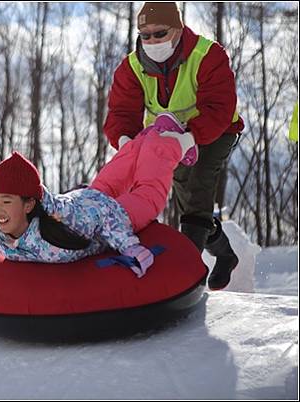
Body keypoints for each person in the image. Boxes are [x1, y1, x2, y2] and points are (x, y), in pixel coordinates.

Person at [103, 2, 245, 290]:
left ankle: (186, 276)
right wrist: (126, 142)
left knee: (199, 185)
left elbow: (219, 106)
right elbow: (121, 113)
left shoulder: (207, 55)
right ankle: (226, 255)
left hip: (217, 131)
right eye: (146, 35)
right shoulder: (131, 67)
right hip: (167, 138)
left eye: (160, 33)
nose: (152, 41)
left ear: (178, 29)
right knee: (190, 206)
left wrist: (190, 138)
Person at [0, 112, 196, 279]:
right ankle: (139, 143)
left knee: (148, 193)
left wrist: (129, 246)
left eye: (6, 202)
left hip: (102, 211)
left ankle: (173, 141)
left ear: (29, 205)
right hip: (85, 198)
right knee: (110, 179)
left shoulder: (61, 226)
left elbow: (104, 214)